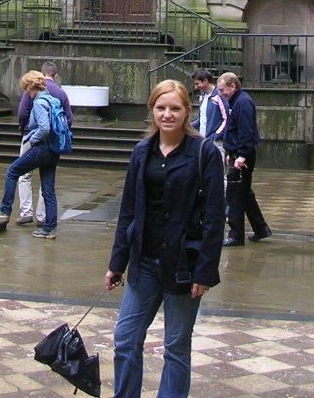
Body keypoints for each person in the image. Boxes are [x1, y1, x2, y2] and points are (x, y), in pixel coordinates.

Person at [104, 79, 224, 398]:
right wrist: (116, 263)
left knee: (176, 346)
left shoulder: (204, 153)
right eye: (161, 108)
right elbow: (128, 211)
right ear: (152, 110)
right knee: (126, 338)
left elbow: (215, 217)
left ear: (187, 112)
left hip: (184, 264)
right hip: (144, 261)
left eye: (175, 108)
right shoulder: (142, 152)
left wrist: (205, 272)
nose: (167, 114)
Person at [0, 71, 60, 239]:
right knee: (48, 190)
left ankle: (5, 209)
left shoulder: (39, 103)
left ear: (32, 86)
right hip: (54, 149)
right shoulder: (52, 100)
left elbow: (44, 128)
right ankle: (49, 228)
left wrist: (32, 140)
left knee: (12, 171)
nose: (26, 92)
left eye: (27, 88)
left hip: (42, 148)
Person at [217, 72, 272, 247]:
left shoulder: (242, 102)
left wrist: (241, 155)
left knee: (234, 194)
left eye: (222, 90)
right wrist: (230, 152)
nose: (220, 94)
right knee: (244, 192)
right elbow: (234, 129)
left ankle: (236, 235)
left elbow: (246, 130)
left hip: (242, 155)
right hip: (238, 153)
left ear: (233, 86)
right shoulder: (237, 101)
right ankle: (261, 228)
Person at [16, 61, 73, 226]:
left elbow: (22, 112)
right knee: (46, 180)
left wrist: (24, 131)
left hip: (31, 135)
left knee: (23, 174)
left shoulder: (33, 87)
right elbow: (68, 119)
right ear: (55, 75)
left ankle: (26, 213)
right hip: (52, 141)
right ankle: (41, 216)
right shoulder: (61, 93)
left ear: (42, 73)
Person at [191, 69, 228, 151]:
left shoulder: (219, 96)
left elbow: (226, 119)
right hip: (202, 142)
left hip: (215, 143)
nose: (196, 87)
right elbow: (202, 119)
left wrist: (216, 136)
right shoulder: (202, 97)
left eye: (197, 83)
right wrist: (188, 126)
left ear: (205, 80)